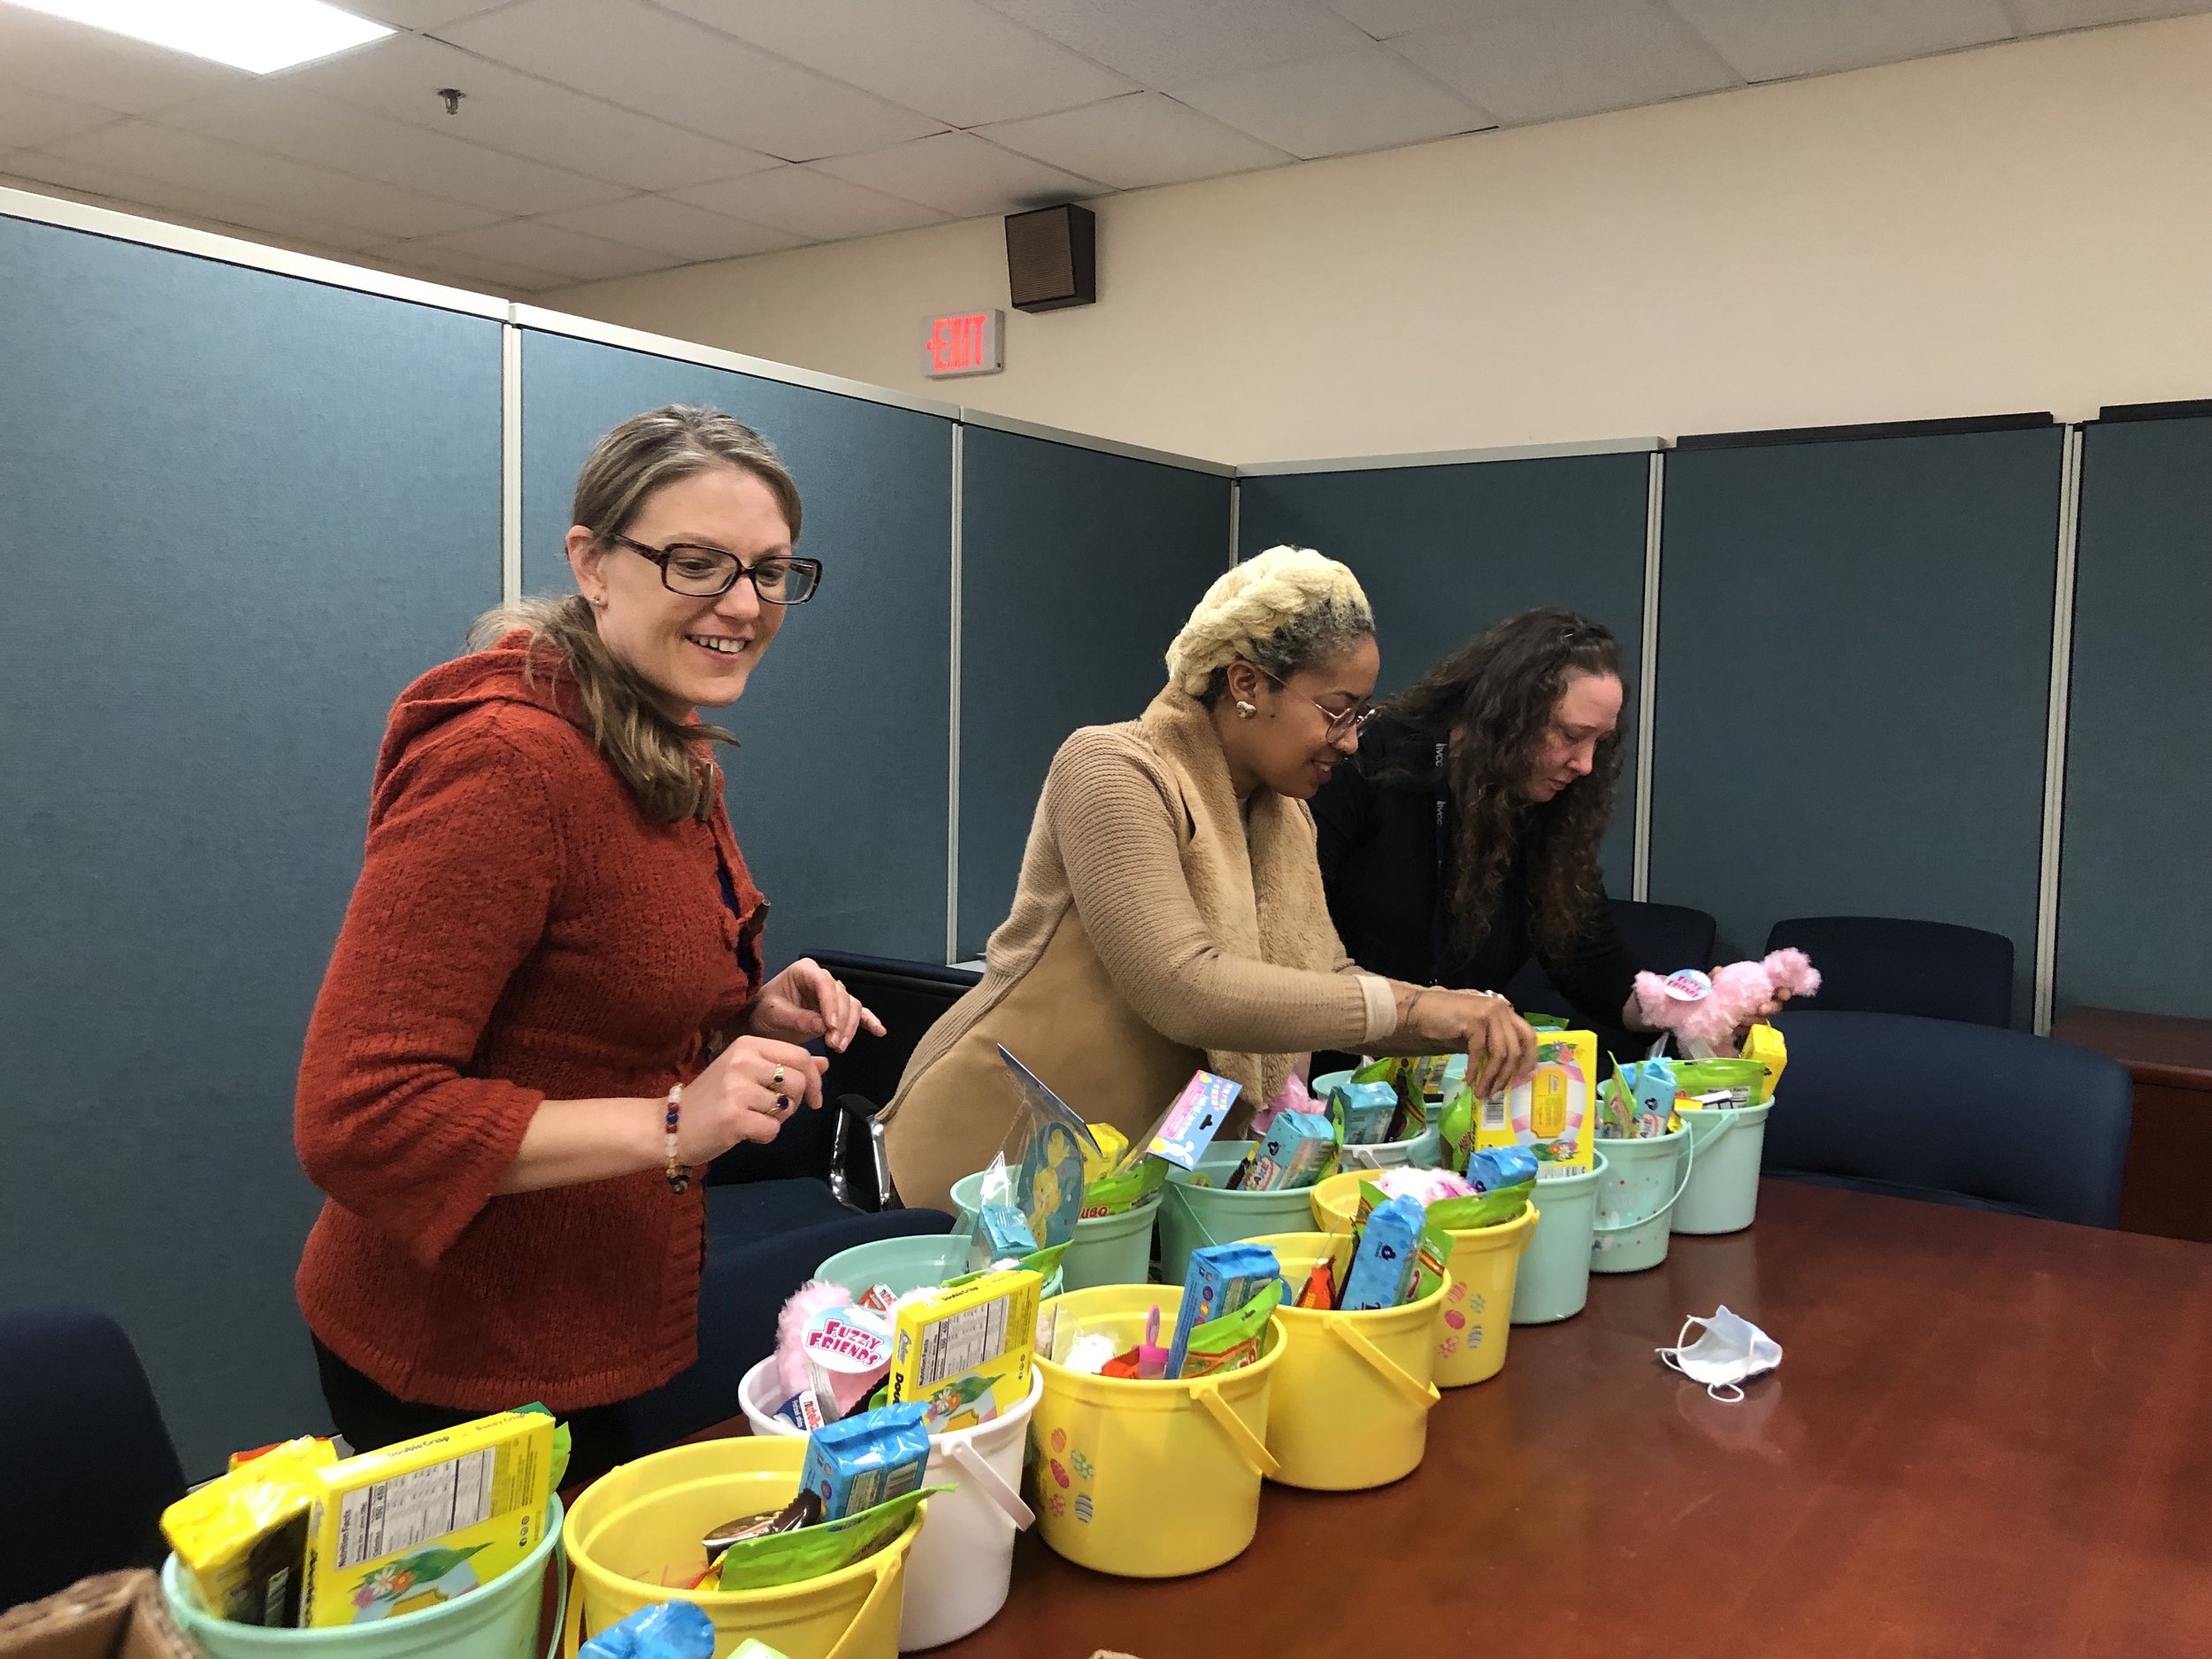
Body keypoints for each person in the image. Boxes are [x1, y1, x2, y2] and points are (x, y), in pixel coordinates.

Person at [293, 405, 881, 1482]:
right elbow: (357, 1119)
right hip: (465, 1357)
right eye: (695, 562)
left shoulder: (655, 736)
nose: (743, 605)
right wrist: (674, 1121)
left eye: (770, 571)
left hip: (601, 1314)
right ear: (593, 563)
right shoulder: (508, 766)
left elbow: (584, 998)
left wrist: (740, 1010)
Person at [880, 546, 1539, 1212]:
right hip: (981, 1169)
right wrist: (1416, 1007)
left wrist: (1457, 1020)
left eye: (1360, 715)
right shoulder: (1113, 770)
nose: (1350, 740)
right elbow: (1182, 985)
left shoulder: (1284, 817)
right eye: (1338, 710)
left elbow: (1322, 980)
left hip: (1127, 1186)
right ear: (1247, 684)